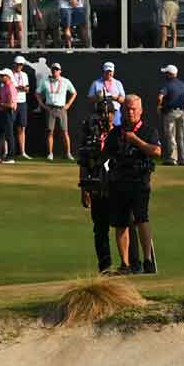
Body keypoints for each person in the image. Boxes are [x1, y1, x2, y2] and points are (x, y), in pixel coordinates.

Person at [104, 94, 161, 274]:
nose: (130, 112)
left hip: (139, 181)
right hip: (118, 181)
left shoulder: (148, 130)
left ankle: (147, 260)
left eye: (134, 109)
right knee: (120, 223)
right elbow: (105, 156)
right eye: (127, 109)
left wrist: (136, 140)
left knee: (141, 219)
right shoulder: (115, 133)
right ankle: (125, 264)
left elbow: (157, 152)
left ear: (141, 111)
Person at [75, 110, 113, 271]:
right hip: (97, 188)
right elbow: (84, 164)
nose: (106, 118)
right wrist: (84, 190)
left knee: (125, 226)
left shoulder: (119, 134)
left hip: (117, 187)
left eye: (110, 113)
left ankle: (130, 263)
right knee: (100, 229)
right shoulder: (90, 140)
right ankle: (105, 266)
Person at [39, 62, 76, 160]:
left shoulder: (65, 81)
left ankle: (68, 153)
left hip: (61, 109)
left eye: (56, 69)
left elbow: (74, 93)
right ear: (51, 70)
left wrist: (68, 105)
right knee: (50, 132)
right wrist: (42, 105)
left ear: (60, 71)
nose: (55, 71)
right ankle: (50, 154)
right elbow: (37, 93)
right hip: (50, 108)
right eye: (53, 69)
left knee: (65, 132)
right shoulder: (45, 81)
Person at [155, 64, 184, 166]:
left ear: (170, 74)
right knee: (180, 137)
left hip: (170, 113)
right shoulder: (182, 84)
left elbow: (160, 96)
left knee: (171, 136)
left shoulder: (167, 85)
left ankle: (172, 159)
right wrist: (183, 108)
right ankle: (182, 159)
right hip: (181, 112)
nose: (165, 75)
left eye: (166, 73)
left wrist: (159, 106)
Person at [0, 67, 19, 163]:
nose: (0, 77)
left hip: (9, 113)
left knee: (9, 136)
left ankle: (11, 158)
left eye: (2, 75)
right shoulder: (2, 86)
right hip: (1, 112)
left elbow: (11, 105)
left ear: (8, 77)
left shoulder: (11, 87)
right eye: (0, 75)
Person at [85, 61, 125, 126]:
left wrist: (116, 98)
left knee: (117, 131)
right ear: (103, 71)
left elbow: (123, 99)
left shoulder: (118, 83)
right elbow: (90, 98)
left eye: (110, 71)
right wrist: (98, 97)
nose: (109, 73)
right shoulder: (96, 83)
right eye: (107, 71)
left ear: (113, 72)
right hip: (100, 112)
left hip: (115, 112)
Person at [9, 56, 32, 158]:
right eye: (18, 64)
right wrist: (19, 88)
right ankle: (7, 152)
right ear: (14, 64)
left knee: (22, 127)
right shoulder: (9, 74)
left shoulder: (25, 75)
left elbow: (27, 89)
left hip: (22, 103)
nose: (19, 66)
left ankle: (22, 152)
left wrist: (23, 88)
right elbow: (9, 87)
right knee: (8, 128)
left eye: (21, 64)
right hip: (12, 103)